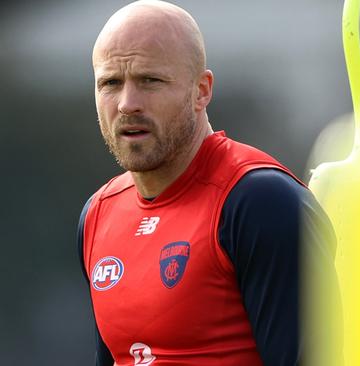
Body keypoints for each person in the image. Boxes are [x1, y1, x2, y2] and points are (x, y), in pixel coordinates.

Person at [77, 1, 341, 365]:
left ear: (201, 90)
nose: (127, 104)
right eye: (110, 83)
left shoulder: (260, 203)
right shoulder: (98, 215)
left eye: (150, 81)